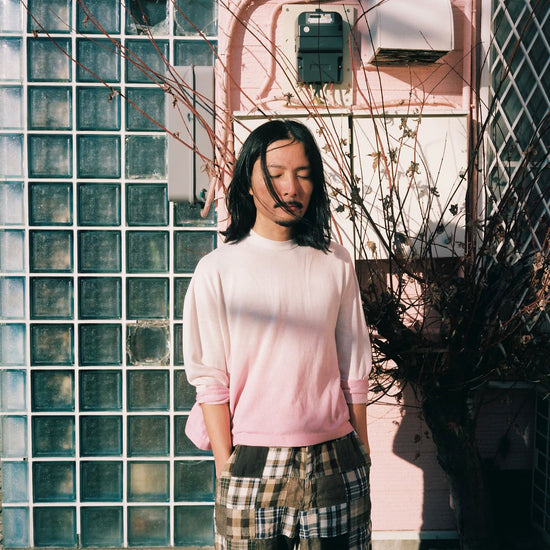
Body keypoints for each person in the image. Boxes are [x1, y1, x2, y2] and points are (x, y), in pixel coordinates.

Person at [183, 119, 372, 549]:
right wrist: (226, 467)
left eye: (304, 174)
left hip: (335, 455)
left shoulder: (335, 262)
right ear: (248, 182)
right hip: (250, 459)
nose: (291, 187)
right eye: (276, 173)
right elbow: (211, 381)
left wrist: (362, 451)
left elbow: (354, 367)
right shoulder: (218, 269)